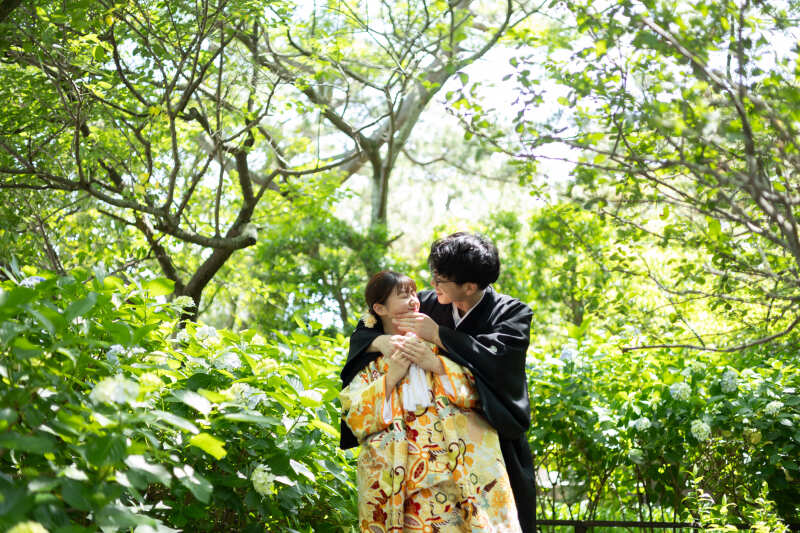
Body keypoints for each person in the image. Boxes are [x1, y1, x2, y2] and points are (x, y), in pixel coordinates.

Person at [340, 233, 536, 532]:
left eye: (441, 280)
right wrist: (380, 342)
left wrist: (438, 336)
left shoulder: (512, 314)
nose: (432, 285)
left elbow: (496, 366)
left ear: (469, 286)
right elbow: (369, 324)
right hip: (417, 454)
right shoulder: (429, 302)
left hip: (490, 437)